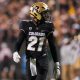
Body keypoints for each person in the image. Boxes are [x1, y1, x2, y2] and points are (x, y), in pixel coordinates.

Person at [13, 2, 60, 80]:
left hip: (42, 59)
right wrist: (15, 51)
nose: (47, 15)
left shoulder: (48, 26)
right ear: (36, 13)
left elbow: (52, 45)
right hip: (31, 60)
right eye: (44, 13)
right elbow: (19, 41)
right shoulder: (26, 25)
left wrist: (56, 63)